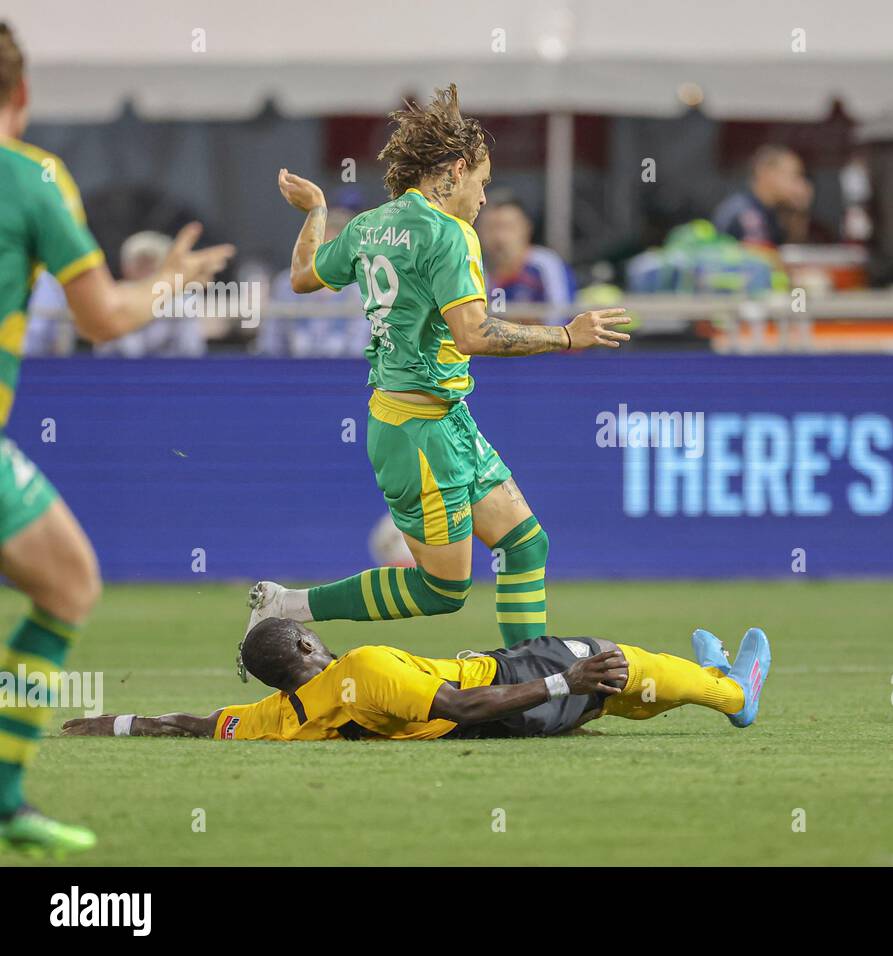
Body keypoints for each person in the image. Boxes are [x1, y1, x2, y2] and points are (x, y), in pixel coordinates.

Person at [259, 85, 630, 650]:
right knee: (443, 591)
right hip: (418, 432)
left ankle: (528, 675)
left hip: (440, 420)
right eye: (481, 182)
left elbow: (305, 275)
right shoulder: (449, 233)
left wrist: (315, 212)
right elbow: (474, 332)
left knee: (526, 543)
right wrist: (565, 335)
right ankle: (285, 606)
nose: (483, 198)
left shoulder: (369, 225)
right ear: (455, 171)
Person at [0, 21, 233, 856]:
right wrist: (170, 280)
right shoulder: (31, 178)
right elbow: (102, 316)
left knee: (64, 577)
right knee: (68, 587)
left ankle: (6, 798)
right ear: (22, 97)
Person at [61, 618, 771, 742]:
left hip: (494, 707)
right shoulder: (362, 669)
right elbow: (464, 705)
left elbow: (183, 723)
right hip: (503, 691)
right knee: (612, 662)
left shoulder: (277, 718)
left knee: (609, 700)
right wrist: (566, 680)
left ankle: (706, 673)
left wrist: (104, 723)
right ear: (307, 643)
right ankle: (735, 693)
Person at [258, 205, 368, 356]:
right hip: (291, 375)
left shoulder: (362, 288)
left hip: (344, 376)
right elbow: (270, 346)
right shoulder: (287, 284)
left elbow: (358, 351)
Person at [96, 231, 207, 357]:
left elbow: (191, 349)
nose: (145, 272)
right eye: (139, 265)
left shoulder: (183, 300)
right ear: (125, 268)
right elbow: (105, 352)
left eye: (151, 265)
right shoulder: (112, 298)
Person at [478, 195, 576, 324]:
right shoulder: (475, 268)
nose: (499, 237)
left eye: (508, 227)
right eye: (491, 228)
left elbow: (562, 317)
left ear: (527, 228)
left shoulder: (546, 265)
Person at [712, 144, 810, 249]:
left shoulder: (770, 211)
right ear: (766, 173)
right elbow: (764, 260)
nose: (800, 184)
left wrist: (800, 213)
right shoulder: (746, 212)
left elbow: (785, 252)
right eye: (793, 176)